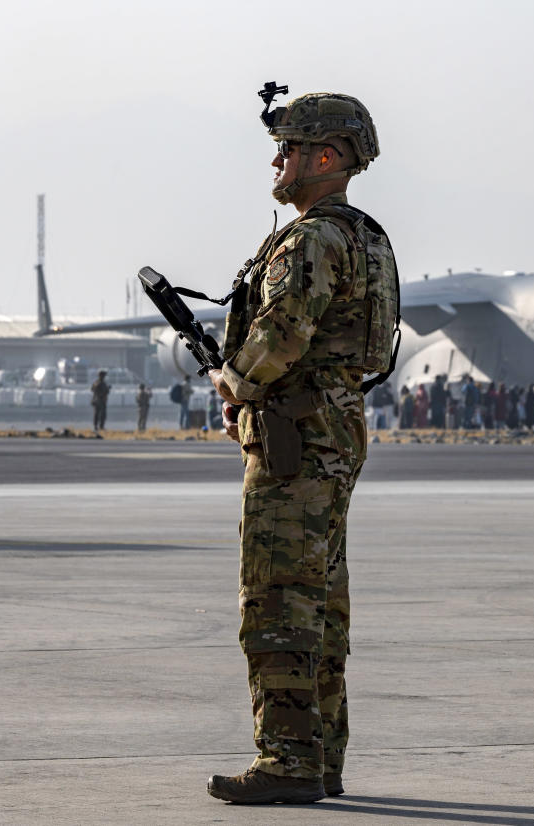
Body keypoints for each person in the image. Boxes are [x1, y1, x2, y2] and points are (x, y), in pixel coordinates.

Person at [205, 89, 397, 805]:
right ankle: (323, 755)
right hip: (333, 428)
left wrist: (236, 384)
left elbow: (281, 336)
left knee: (279, 600)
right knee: (321, 603)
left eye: (288, 148)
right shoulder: (365, 236)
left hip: (296, 436)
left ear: (327, 156)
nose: (276, 160)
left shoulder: (313, 238)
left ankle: (288, 760)